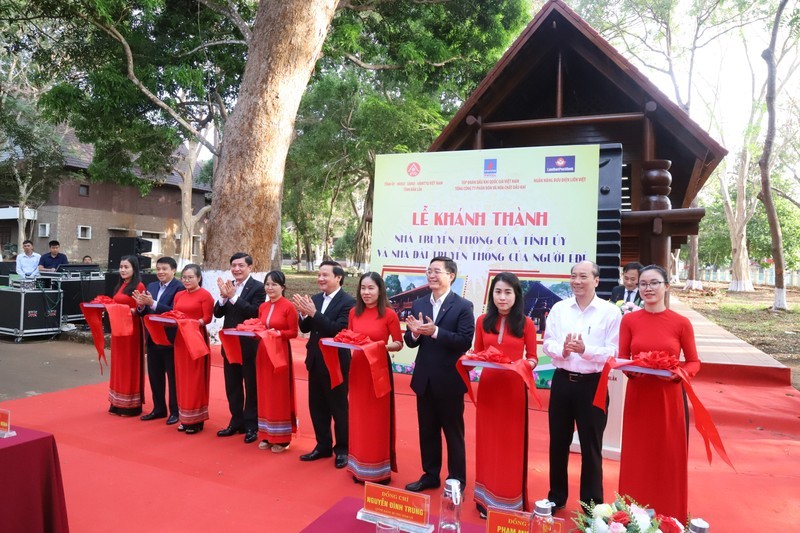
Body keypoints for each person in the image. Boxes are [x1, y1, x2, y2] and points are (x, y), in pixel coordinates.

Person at [617, 265, 699, 520]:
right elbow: (622, 358)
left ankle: (669, 516)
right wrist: (631, 371)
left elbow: (694, 362)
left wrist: (680, 374)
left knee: (667, 458)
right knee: (636, 457)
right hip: (639, 397)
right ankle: (629, 517)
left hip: (669, 398)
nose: (648, 288)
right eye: (643, 284)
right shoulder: (629, 320)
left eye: (654, 283)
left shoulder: (681, 323)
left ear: (666, 286)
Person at [542, 260, 621, 512]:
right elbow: (547, 342)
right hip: (563, 380)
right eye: (573, 276)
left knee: (591, 445)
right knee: (558, 441)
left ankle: (591, 506)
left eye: (583, 276)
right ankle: (556, 497)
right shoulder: (559, 308)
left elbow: (614, 352)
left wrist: (586, 351)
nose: (577, 281)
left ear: (596, 281)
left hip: (593, 385)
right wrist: (562, 350)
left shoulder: (610, 312)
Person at [404, 257, 474, 493]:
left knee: (453, 433)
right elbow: (410, 341)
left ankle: (456, 480)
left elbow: (464, 341)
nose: (431, 275)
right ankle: (430, 475)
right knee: (428, 431)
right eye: (429, 271)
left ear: (450, 276)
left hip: (450, 381)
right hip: (424, 379)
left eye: (437, 271)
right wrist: (414, 334)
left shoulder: (463, 306)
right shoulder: (419, 303)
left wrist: (435, 332)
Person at [473, 272, 538, 516]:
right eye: (498, 292)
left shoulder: (526, 323)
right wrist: (472, 359)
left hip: (513, 390)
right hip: (489, 388)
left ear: (516, 295)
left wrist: (522, 366)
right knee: (487, 441)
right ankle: (485, 499)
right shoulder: (482, 321)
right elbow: (478, 352)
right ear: (492, 295)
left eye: (508, 292)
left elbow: (531, 357)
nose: (502, 297)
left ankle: (508, 501)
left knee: (510, 444)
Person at [292, 260, 355, 469]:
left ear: (338, 277)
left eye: (325, 275)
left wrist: (313, 314)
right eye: (319, 275)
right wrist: (303, 314)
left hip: (336, 362)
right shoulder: (316, 299)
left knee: (338, 408)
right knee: (317, 406)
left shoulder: (349, 302)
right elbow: (306, 326)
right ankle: (323, 445)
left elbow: (338, 330)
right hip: (315, 359)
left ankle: (343, 450)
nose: (320, 278)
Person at [346, 272, 403, 484]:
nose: (366, 292)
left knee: (377, 419)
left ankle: (378, 470)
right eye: (363, 288)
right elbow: (350, 337)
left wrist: (378, 346)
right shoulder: (354, 312)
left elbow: (398, 343)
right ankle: (358, 465)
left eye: (371, 288)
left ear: (380, 290)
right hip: (359, 367)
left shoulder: (389, 314)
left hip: (378, 367)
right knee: (359, 416)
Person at [214, 252, 266, 443]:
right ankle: (236, 421)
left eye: (241, 265)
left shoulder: (259, 288)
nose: (236, 269)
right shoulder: (229, 286)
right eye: (233, 265)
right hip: (230, 344)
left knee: (251, 386)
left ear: (250, 267)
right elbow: (218, 313)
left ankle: (252, 425)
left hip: (249, 346)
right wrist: (223, 298)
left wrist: (234, 297)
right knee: (232, 386)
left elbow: (255, 312)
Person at [134, 257, 184, 425]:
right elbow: (145, 311)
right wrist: (141, 305)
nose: (161, 272)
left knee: (172, 376)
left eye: (164, 269)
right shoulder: (152, 286)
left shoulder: (180, 288)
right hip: (152, 337)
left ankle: (175, 411)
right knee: (155, 375)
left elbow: (175, 311)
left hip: (170, 338)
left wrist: (153, 303)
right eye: (158, 269)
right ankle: (159, 408)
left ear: (173, 270)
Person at [255, 270, 299, 453]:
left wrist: (278, 333)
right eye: (267, 284)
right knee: (264, 392)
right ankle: (266, 434)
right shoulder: (263, 307)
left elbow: (294, 332)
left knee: (278, 394)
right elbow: (259, 325)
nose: (270, 288)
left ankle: (281, 438)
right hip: (263, 352)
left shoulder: (289, 307)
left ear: (283, 287)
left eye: (274, 284)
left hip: (280, 353)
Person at [171, 264, 215, 434]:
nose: (186, 280)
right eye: (184, 277)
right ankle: (184, 416)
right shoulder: (179, 295)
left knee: (195, 378)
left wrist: (194, 323)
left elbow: (207, 318)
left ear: (199, 278)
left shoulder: (205, 295)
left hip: (196, 337)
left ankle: (196, 420)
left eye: (190, 277)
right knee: (181, 377)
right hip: (180, 339)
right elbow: (175, 313)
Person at [108, 255, 146, 416]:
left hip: (132, 332)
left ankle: (131, 405)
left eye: (126, 267)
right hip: (119, 331)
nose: (123, 270)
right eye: (121, 267)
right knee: (118, 364)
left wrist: (120, 309)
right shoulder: (120, 285)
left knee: (130, 365)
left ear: (134, 269)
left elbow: (140, 310)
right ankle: (117, 401)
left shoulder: (139, 285)